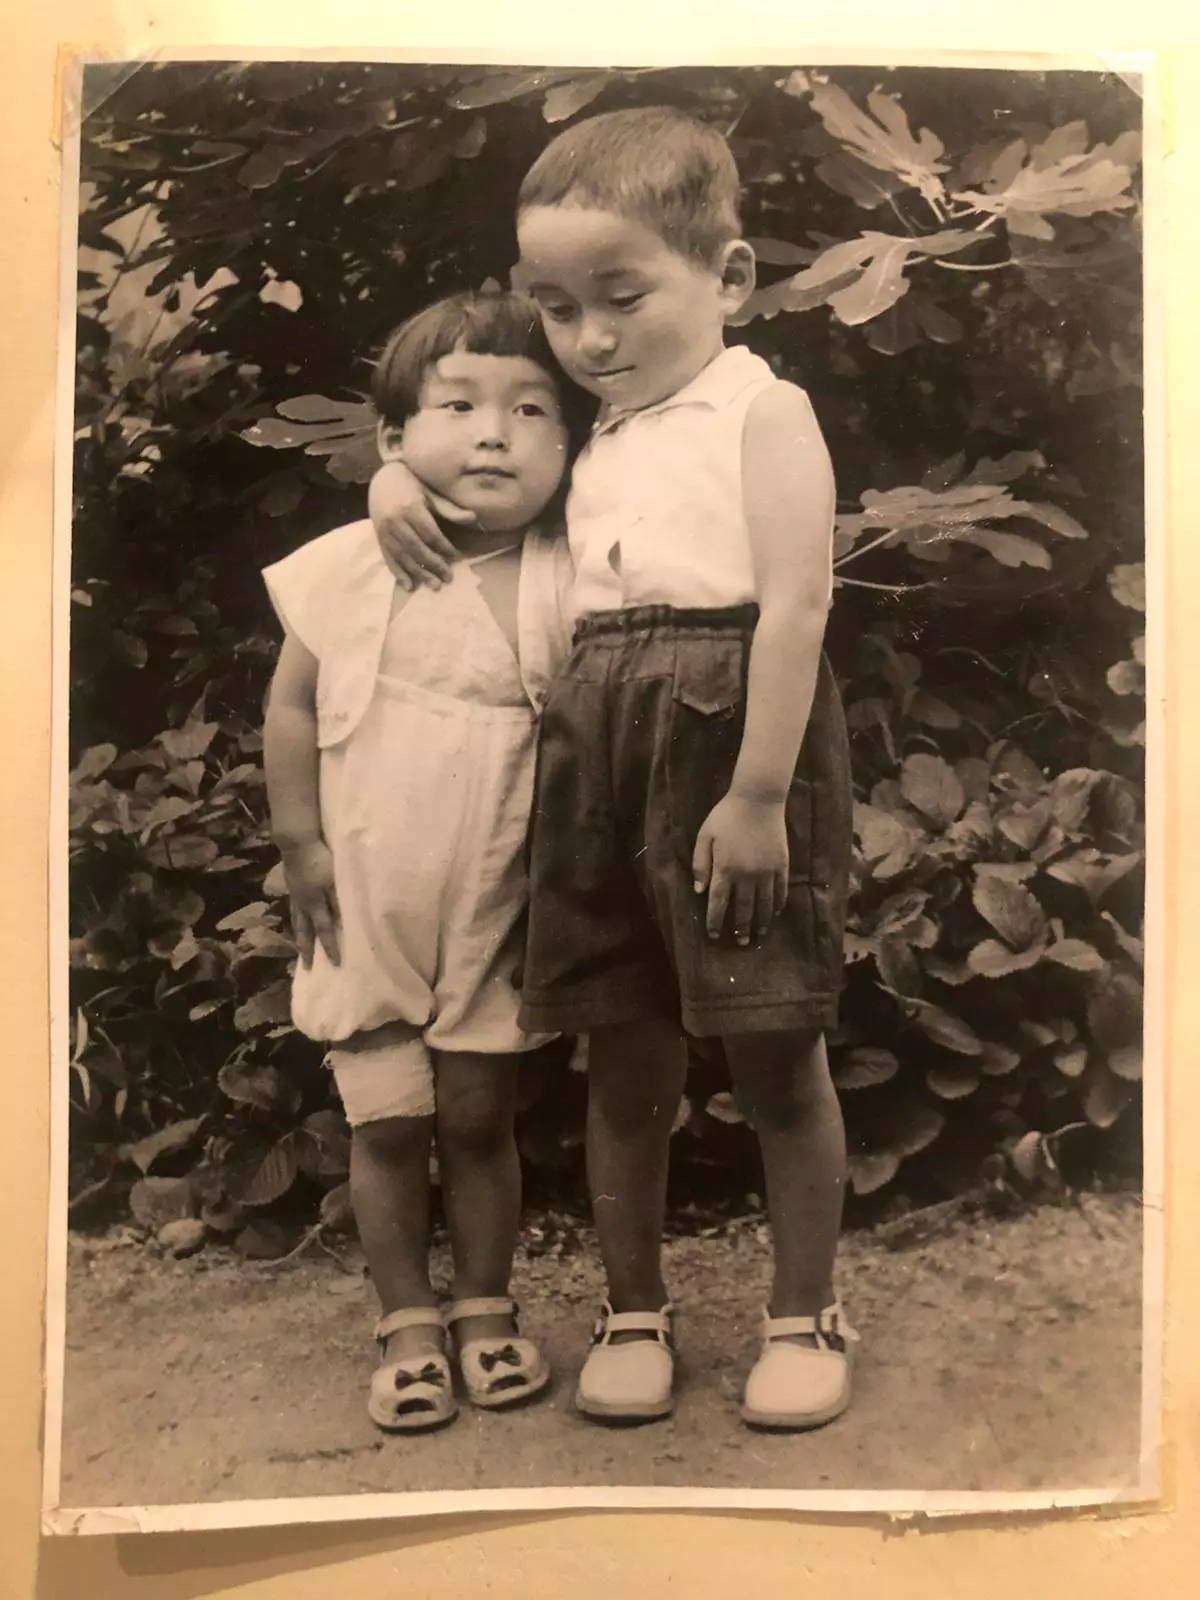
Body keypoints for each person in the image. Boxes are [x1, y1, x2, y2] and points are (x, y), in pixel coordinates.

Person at [369, 106, 857, 1431]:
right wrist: (385, 489)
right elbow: (455, 464)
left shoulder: (765, 410)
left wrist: (758, 797)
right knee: (622, 1054)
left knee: (770, 1048)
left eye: (621, 297)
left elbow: (798, 609)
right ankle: (631, 1311)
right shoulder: (589, 433)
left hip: (730, 750)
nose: (587, 337)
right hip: (598, 760)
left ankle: (806, 1313)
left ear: (732, 279)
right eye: (558, 306)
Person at [262, 290, 575, 1433]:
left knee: (481, 1115)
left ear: (570, 446)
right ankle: (404, 1320)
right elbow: (291, 708)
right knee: (386, 1121)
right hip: (365, 904)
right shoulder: (352, 560)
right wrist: (299, 841)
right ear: (393, 440)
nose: (495, 430)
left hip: (501, 902)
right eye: (460, 404)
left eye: (532, 408)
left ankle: (486, 1308)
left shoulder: (567, 568)